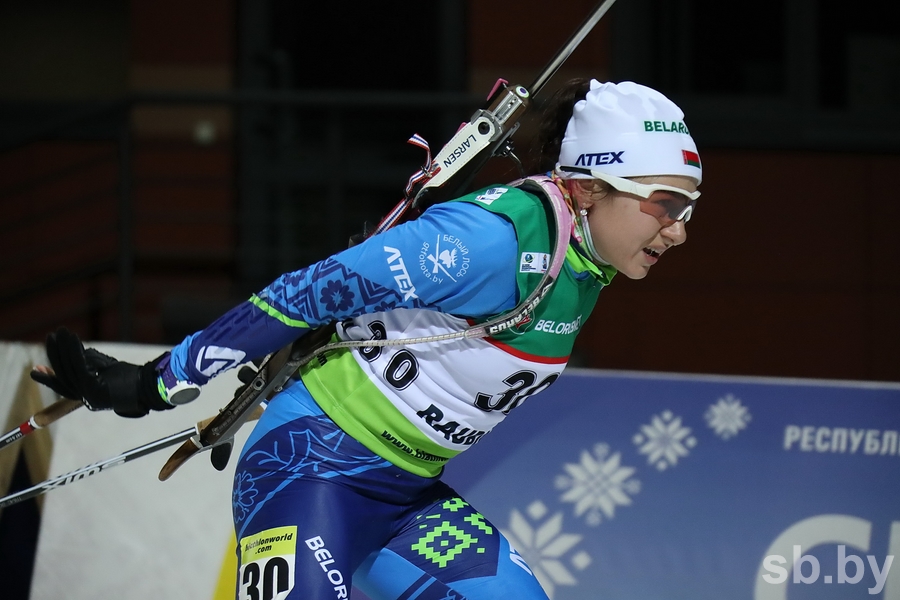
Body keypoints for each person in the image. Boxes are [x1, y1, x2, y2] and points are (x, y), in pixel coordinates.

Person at [33, 78, 702, 599]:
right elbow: (312, 290)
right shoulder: (492, 242)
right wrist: (159, 380)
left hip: (406, 499)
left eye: (688, 209)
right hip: (306, 472)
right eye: (664, 205)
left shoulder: (589, 259)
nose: (678, 231)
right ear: (588, 186)